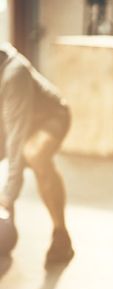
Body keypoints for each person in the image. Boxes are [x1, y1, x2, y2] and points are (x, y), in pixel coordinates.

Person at [0, 43, 73, 265]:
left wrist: (7, 198)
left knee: (33, 154)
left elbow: (16, 137)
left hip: (50, 116)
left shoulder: (14, 73)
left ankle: (61, 236)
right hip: (10, 120)